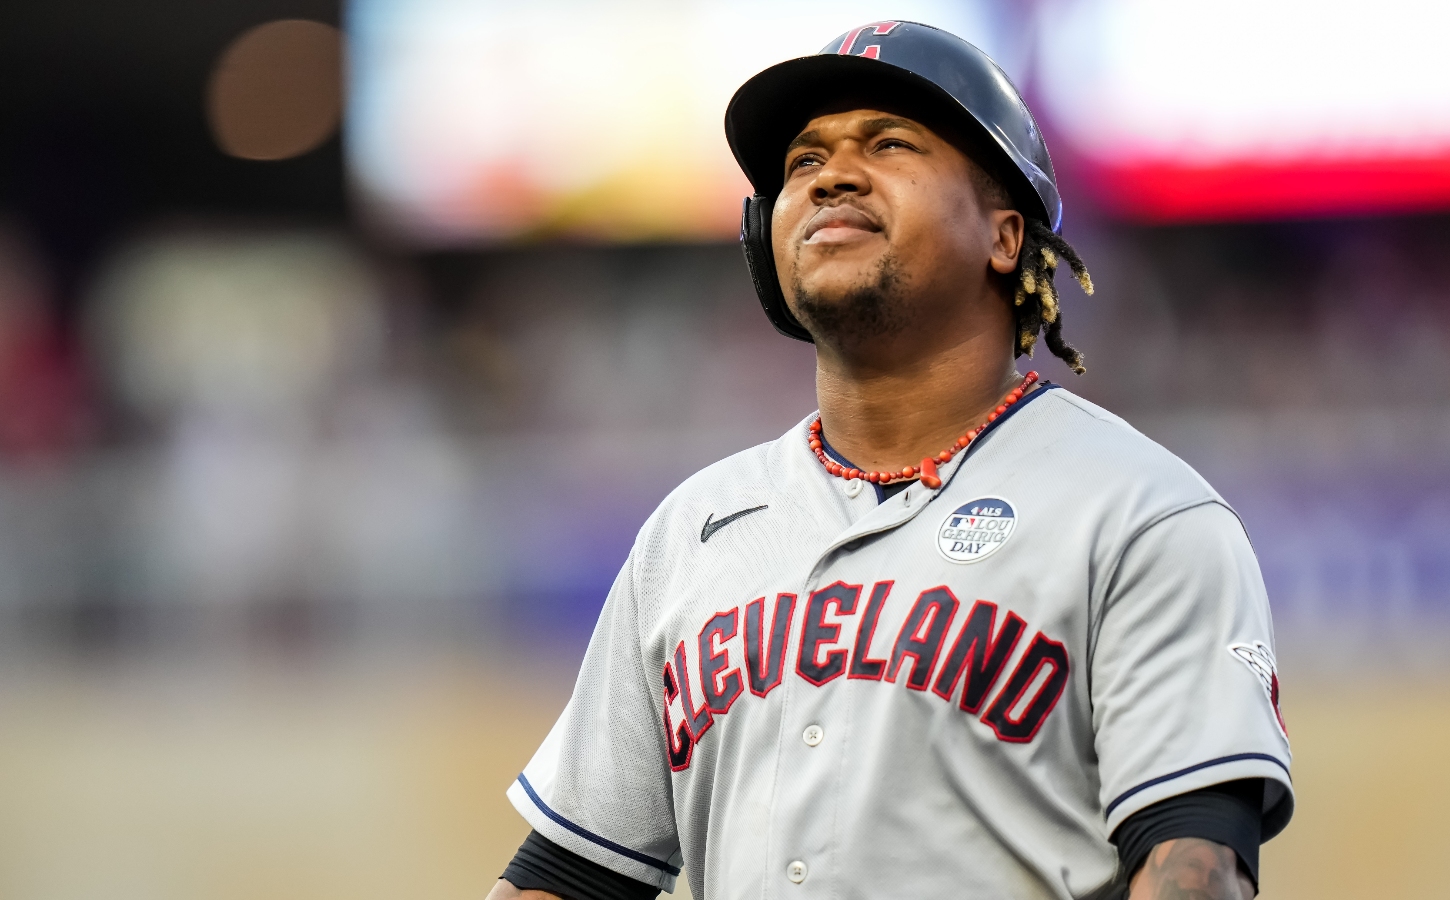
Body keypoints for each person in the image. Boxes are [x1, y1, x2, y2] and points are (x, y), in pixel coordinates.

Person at [487, 21, 1291, 900]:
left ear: (1005, 236)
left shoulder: (1142, 514)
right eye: (803, 162)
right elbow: (567, 877)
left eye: (890, 142)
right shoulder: (691, 534)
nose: (830, 174)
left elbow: (1195, 867)